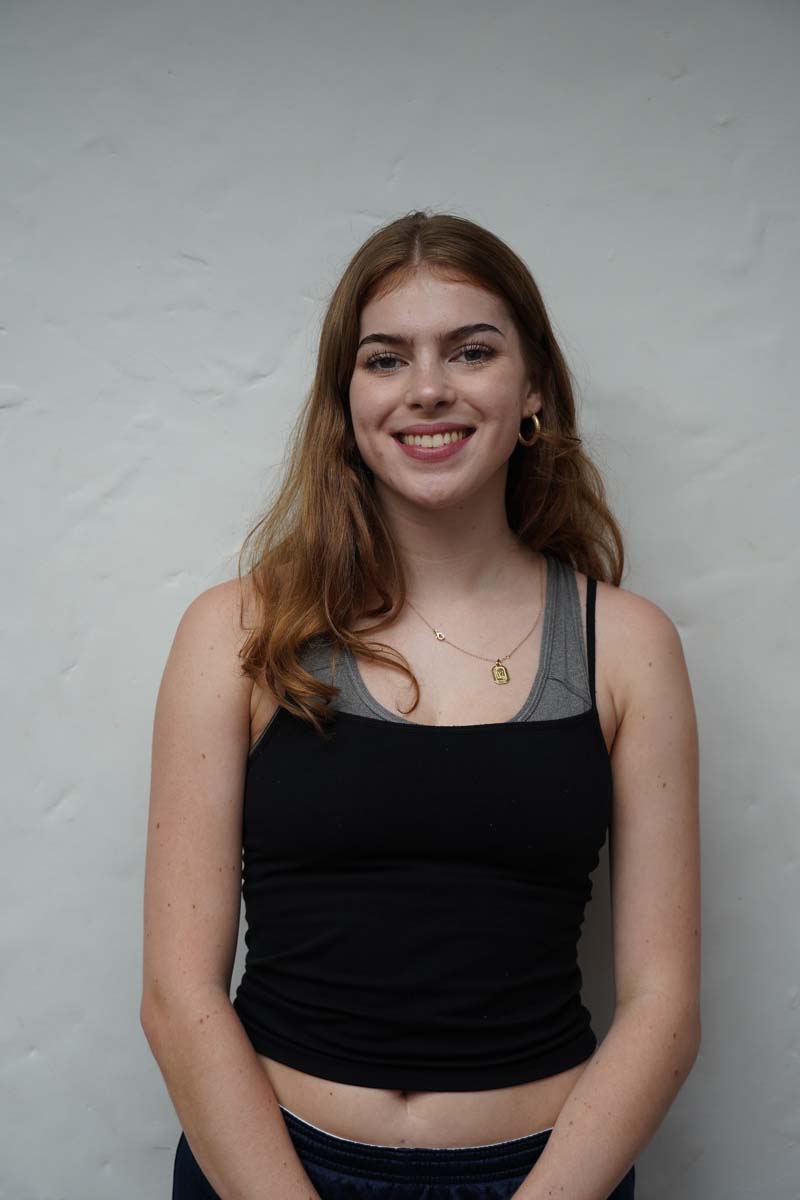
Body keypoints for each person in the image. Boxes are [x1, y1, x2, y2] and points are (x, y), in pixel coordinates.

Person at [140, 210, 701, 1200]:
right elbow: (177, 997)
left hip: (544, 1178)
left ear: (529, 387)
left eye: (470, 350)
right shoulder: (237, 632)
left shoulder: (627, 645)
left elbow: (662, 1003)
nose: (426, 388)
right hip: (274, 1168)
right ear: (345, 399)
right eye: (385, 359)